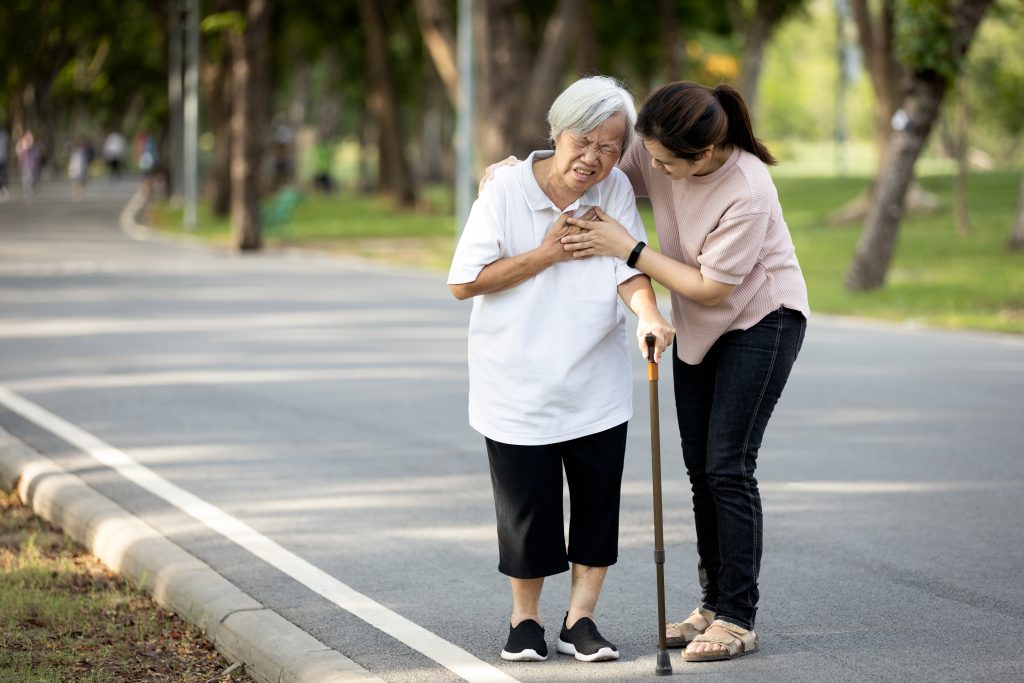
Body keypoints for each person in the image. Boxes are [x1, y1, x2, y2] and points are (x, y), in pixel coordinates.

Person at [557, 81, 809, 663]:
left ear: (704, 154)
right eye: (652, 159)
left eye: (668, 165)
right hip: (699, 323)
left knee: (728, 466)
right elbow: (594, 160)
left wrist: (628, 248)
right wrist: (521, 166)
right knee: (699, 468)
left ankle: (738, 618)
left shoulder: (746, 187)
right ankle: (712, 604)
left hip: (761, 320)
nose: (656, 172)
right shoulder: (655, 148)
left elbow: (715, 289)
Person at [448, 76, 674, 664]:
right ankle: (526, 621)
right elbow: (464, 281)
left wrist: (649, 313)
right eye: (583, 140)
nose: (593, 157)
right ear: (556, 130)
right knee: (528, 510)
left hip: (593, 381)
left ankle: (581, 620)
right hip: (515, 383)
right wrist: (547, 253)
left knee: (597, 504)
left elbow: (627, 267)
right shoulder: (504, 190)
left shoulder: (615, 189)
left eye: (610, 146)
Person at [15, 130, 40, 200]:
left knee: (32, 179)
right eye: (28, 136)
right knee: (26, 179)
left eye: (30, 136)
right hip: (25, 165)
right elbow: (18, 153)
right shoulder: (22, 145)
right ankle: (27, 191)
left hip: (33, 165)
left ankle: (32, 189)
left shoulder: (34, 146)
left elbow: (37, 155)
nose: (29, 138)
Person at [0, 124, 9, 201]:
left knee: (3, 175)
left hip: (3, 159)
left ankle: (4, 188)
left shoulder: (4, 134)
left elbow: (7, 146)